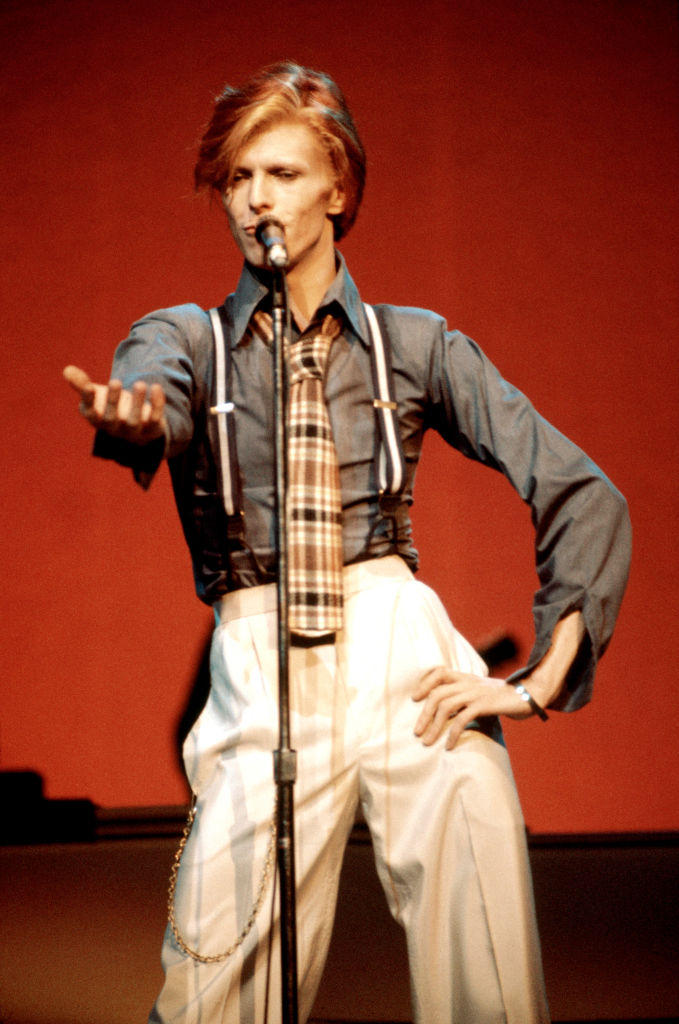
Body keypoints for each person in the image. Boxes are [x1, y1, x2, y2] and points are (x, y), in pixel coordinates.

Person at [64, 62, 631, 1024]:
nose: (255, 199)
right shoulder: (187, 338)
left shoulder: (413, 344)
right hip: (261, 656)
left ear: (337, 187)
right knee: (213, 980)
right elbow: (155, 396)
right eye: (238, 179)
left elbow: (582, 491)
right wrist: (137, 420)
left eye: (281, 174)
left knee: (484, 950)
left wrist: (535, 684)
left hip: (400, 651)